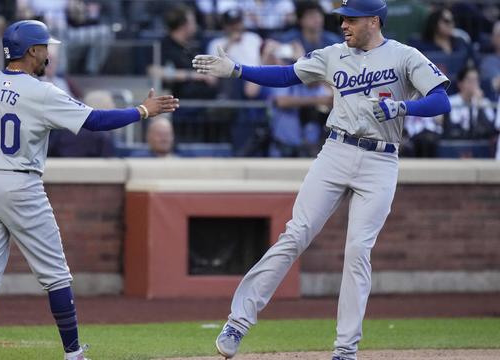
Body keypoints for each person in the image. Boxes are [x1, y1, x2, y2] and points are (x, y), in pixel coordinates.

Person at [192, 0, 451, 359]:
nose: (343, 24)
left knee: (358, 251)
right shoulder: (333, 54)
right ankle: (239, 320)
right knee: (296, 234)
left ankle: (345, 350)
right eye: (342, 18)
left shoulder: (405, 56)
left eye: (351, 19)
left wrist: (404, 107)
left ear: (373, 21)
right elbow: (285, 75)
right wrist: (237, 69)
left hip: (381, 158)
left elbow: (441, 100)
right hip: (337, 150)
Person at [0, 20, 178, 360]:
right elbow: (95, 122)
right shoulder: (41, 92)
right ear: (31, 51)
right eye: (44, 48)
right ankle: (73, 353)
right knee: (56, 274)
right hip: (21, 184)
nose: (48, 54)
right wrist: (143, 110)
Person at [444, 67, 496, 141]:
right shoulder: (450, 102)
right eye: (470, 80)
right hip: (457, 141)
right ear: (460, 83)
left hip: (479, 141)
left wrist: (479, 105)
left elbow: (489, 128)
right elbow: (453, 126)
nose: (474, 84)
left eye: (476, 80)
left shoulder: (484, 102)